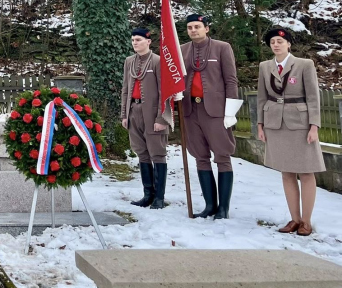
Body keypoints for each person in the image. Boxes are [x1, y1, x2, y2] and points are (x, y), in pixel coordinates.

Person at [256, 28, 324, 237]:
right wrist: (260, 124)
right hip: (275, 124)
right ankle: (294, 219)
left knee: (306, 171)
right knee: (286, 172)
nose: (276, 45)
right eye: (272, 42)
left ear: (289, 44)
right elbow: (262, 97)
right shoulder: (265, 67)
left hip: (300, 124)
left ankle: (306, 221)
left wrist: (314, 126)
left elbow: (313, 97)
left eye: (280, 41)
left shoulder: (304, 64)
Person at [180, 14, 242, 219]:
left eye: (197, 26)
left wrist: (230, 110)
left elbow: (231, 80)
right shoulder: (182, 50)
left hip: (216, 110)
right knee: (200, 156)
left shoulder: (222, 48)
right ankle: (209, 205)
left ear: (206, 28)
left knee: (222, 156)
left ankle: (223, 208)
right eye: (190, 27)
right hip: (191, 109)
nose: (193, 30)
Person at [120, 28, 171, 209]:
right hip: (134, 111)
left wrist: (161, 118)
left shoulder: (158, 61)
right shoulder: (129, 61)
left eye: (139, 39)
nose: (135, 42)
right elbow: (125, 89)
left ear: (148, 42)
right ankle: (148, 195)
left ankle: (159, 197)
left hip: (152, 113)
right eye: (133, 40)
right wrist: (124, 114)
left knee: (157, 153)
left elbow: (164, 92)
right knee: (141, 152)